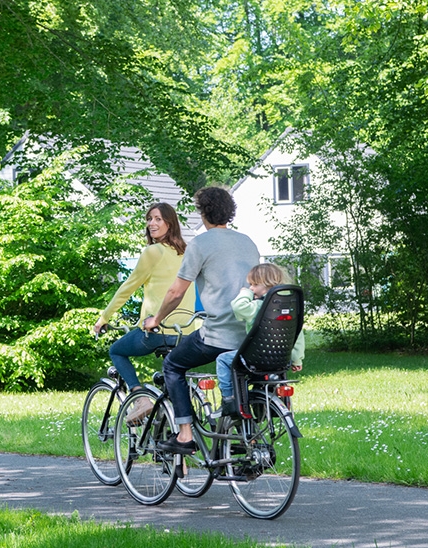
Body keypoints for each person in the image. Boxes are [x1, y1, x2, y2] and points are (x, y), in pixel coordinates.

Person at [143, 186, 259, 455]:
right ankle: (242, 432)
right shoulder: (247, 242)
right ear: (229, 211)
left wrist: (156, 318)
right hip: (251, 335)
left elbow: (175, 292)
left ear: (203, 212)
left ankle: (184, 435)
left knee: (172, 365)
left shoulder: (200, 244)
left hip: (218, 334)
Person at [93, 203, 199, 390]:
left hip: (158, 330)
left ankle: (139, 397)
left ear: (170, 223)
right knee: (172, 377)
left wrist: (104, 318)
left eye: (158, 219)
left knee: (116, 351)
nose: (151, 223)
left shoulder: (153, 251)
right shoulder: (187, 251)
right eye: (149, 219)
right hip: (185, 331)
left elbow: (128, 287)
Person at [215, 262, 305, 416]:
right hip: (281, 359)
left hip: (256, 357)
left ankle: (229, 400)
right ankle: (267, 400)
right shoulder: (289, 308)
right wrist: (297, 359)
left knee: (223, 359)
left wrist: (245, 293)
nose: (251, 288)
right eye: (250, 285)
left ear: (268, 285)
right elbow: (296, 334)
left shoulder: (258, 306)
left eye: (254, 284)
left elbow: (238, 307)